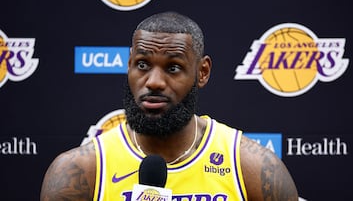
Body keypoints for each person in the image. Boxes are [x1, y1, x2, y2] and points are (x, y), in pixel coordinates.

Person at [40, 11, 298, 201]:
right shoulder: (80, 172)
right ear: (129, 64)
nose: (153, 82)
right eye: (142, 64)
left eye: (173, 68)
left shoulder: (252, 169)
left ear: (202, 72)